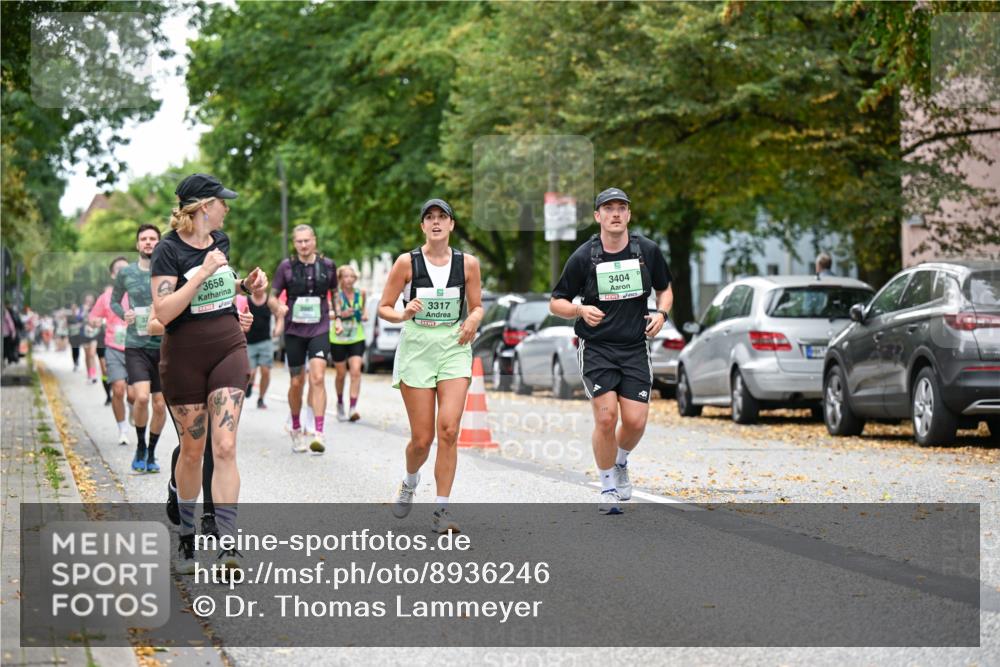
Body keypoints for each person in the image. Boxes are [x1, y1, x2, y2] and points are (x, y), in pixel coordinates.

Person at [151, 173, 268, 577]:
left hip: (228, 348)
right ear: (203, 207)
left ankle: (228, 544)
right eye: (221, 202)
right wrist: (201, 272)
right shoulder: (167, 251)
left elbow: (219, 287)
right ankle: (186, 537)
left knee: (225, 446)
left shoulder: (220, 241)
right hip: (184, 357)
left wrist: (243, 285)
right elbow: (164, 312)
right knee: (192, 451)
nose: (226, 208)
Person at [549, 188, 673, 515]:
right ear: (598, 216)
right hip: (597, 348)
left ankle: (620, 462)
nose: (615, 214)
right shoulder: (584, 256)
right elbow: (556, 302)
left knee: (635, 421)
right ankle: (606, 488)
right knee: (606, 418)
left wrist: (662, 314)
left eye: (621, 208)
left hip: (634, 347)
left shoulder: (647, 251)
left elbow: (665, 289)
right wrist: (579, 310)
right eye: (608, 208)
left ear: (629, 214)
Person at [380, 198, 482, 534]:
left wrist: (473, 320)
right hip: (417, 349)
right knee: (422, 440)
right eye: (429, 217)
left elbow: (478, 306)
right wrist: (403, 313)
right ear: (422, 226)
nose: (436, 222)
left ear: (451, 224)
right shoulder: (406, 263)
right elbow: (384, 307)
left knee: (449, 430)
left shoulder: (468, 264)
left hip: (454, 347)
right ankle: (410, 480)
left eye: (442, 217)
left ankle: (441, 510)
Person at [151, 296, 255, 541]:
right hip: (182, 363)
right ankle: (176, 487)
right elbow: (153, 324)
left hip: (220, 363)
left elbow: (234, 317)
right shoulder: (172, 281)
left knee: (219, 445)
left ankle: (210, 516)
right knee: (191, 448)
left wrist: (242, 321)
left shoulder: (227, 285)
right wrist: (192, 324)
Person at [268, 225, 338, 454]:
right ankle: (296, 428)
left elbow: (335, 293)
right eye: (299, 241)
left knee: (318, 377)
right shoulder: (286, 267)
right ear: (294, 243)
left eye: (307, 240)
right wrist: (278, 307)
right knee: (297, 382)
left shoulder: (328, 265)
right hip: (294, 330)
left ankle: (319, 432)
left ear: (314, 240)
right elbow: (271, 297)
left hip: (320, 327)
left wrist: (337, 317)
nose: (304, 245)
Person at [113, 225, 167, 473]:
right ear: (137, 245)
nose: (148, 242)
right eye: (143, 239)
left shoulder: (168, 271)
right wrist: (124, 313)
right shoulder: (126, 273)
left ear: (159, 243)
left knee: (160, 404)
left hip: (163, 346)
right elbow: (114, 301)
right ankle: (141, 446)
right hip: (136, 345)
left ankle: (152, 452)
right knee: (142, 398)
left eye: (152, 238)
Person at [88, 257, 132, 445]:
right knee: (118, 389)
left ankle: (133, 409)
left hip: (137, 348)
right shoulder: (106, 297)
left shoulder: (140, 293)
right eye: (118, 269)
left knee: (134, 395)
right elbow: (92, 318)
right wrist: (95, 322)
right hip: (113, 348)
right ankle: (122, 429)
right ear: (113, 275)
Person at [330, 265, 368, 421]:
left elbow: (364, 311)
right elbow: (328, 314)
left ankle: (353, 408)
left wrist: (364, 315)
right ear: (340, 279)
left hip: (356, 337)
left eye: (352, 276)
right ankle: (340, 403)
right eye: (345, 276)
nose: (349, 279)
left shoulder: (361, 293)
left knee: (356, 371)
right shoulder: (336, 295)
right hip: (338, 338)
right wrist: (341, 315)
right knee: (340, 374)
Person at [244, 287, 274, 409]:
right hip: (250, 343)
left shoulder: (270, 301)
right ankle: (250, 383)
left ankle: (261, 398)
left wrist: (278, 328)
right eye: (256, 287)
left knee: (265, 371)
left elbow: (279, 314)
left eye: (261, 287)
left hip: (265, 341)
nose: (258, 290)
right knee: (251, 372)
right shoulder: (247, 300)